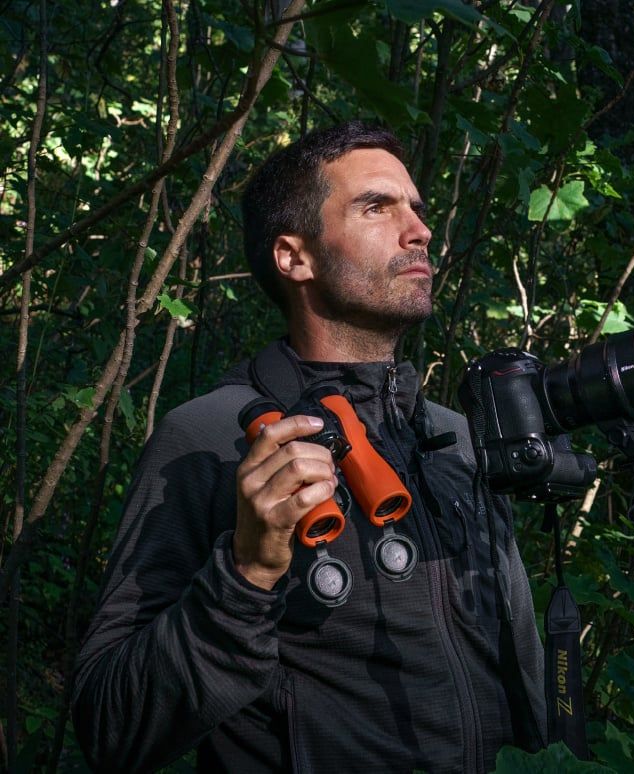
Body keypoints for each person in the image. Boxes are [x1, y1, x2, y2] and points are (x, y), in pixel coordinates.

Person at [72, 122, 546, 773]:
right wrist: (246, 574)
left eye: (416, 209)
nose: (419, 231)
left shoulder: (458, 440)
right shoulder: (207, 440)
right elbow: (110, 728)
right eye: (377, 207)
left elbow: (524, 678)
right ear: (294, 257)